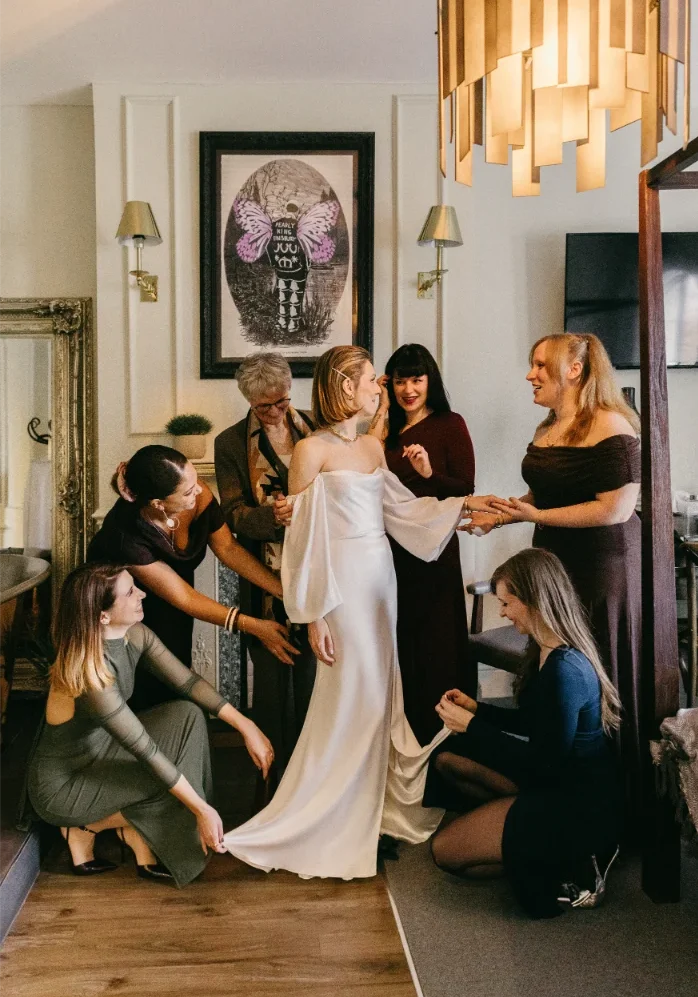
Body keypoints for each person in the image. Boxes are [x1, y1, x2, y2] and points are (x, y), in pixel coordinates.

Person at [223, 345, 493, 880]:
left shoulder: (373, 447)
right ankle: (328, 816)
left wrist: (467, 509)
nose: (381, 387)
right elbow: (302, 541)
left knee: (377, 697)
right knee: (350, 697)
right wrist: (313, 613)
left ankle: (371, 812)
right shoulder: (311, 452)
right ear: (346, 387)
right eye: (373, 379)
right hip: (340, 592)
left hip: (380, 587)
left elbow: (405, 512)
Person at [469, 333, 641, 816]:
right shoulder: (549, 426)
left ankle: (610, 803)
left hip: (600, 567)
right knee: (548, 662)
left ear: (575, 370)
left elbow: (614, 509)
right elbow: (541, 494)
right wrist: (502, 513)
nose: (531, 375)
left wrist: (528, 517)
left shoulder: (612, 424)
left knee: (594, 667)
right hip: (552, 564)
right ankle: (550, 778)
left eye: (541, 365)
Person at [25, 563, 274, 887]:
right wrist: (201, 808)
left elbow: (187, 683)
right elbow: (146, 750)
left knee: (187, 715)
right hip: (64, 784)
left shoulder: (132, 633)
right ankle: (90, 825)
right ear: (102, 616)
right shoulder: (90, 676)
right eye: (130, 592)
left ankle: (139, 829)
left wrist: (246, 726)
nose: (142, 593)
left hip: (102, 752)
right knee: (168, 777)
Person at [427, 548, 623, 919]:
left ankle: (570, 858)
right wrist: (478, 709)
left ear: (533, 599)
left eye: (506, 603)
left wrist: (472, 726)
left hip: (575, 801)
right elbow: (535, 724)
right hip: (556, 781)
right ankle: (530, 845)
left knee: (445, 853)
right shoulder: (545, 649)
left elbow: (543, 765)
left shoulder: (565, 669)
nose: (501, 612)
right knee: (449, 761)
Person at [88, 445, 298, 711]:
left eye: (195, 480)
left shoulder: (198, 496)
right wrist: (254, 626)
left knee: (175, 674)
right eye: (188, 490)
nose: (198, 489)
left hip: (173, 601)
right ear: (158, 504)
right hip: (120, 607)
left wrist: (284, 591)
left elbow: (228, 549)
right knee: (139, 686)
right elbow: (185, 597)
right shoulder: (124, 535)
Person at [367, 343, 475, 743]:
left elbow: (465, 488)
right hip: (390, 553)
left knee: (436, 645)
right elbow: (368, 466)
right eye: (399, 381)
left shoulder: (451, 423)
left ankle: (446, 739)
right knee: (398, 645)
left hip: (433, 553)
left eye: (417, 379)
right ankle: (404, 740)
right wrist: (379, 405)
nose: (408, 389)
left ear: (431, 381)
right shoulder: (387, 432)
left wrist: (429, 473)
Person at [215, 353, 316, 771]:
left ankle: (312, 769)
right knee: (272, 680)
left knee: (315, 673)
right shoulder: (230, 442)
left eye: (282, 401)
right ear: (249, 401)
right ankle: (272, 775)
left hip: (316, 566)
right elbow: (234, 514)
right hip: (265, 574)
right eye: (264, 406)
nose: (275, 412)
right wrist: (269, 517)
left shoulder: (315, 426)